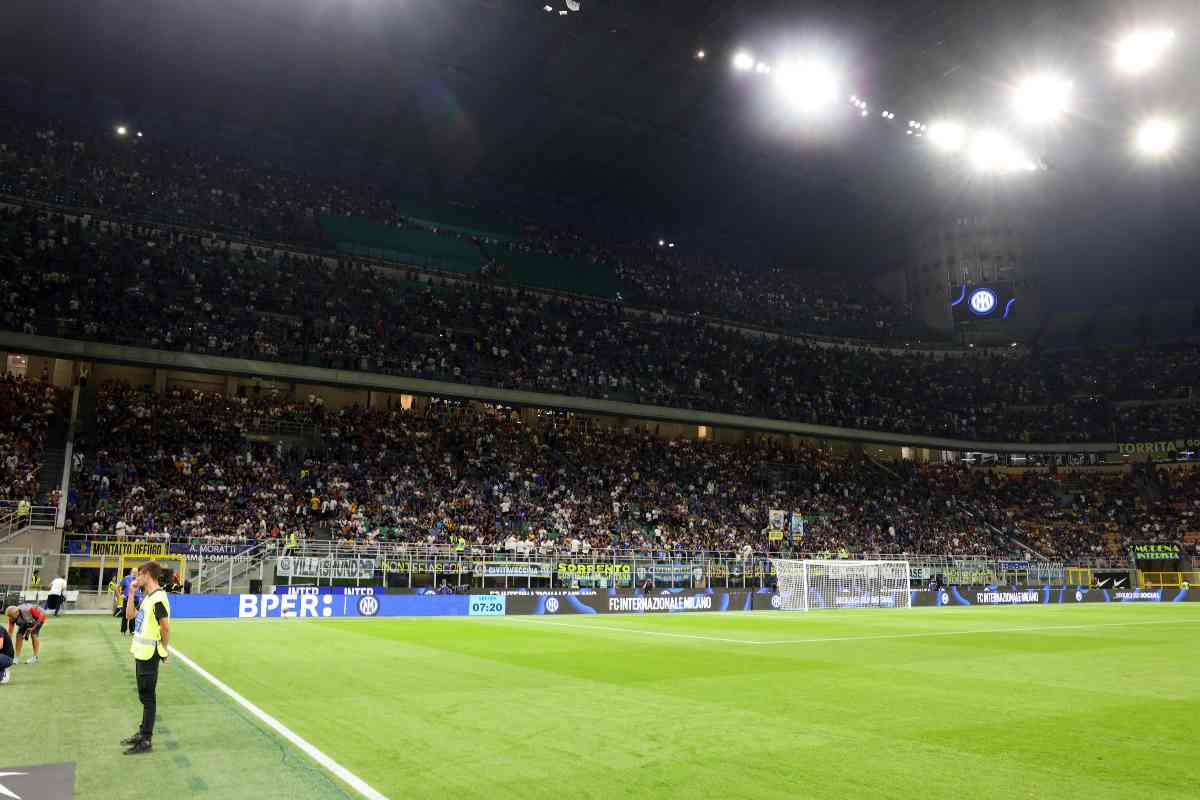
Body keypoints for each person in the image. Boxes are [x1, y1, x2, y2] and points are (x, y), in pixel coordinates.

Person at [121, 561, 171, 755]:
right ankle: (143, 733)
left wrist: (163, 651)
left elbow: (165, 626)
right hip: (141, 652)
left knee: (148, 697)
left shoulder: (158, 598)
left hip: (150, 654)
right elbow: (129, 615)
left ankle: (146, 739)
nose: (136, 578)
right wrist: (132, 593)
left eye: (139, 575)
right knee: (144, 695)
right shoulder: (148, 597)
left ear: (147, 574)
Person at [119, 569, 142, 635]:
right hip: (127, 599)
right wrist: (121, 594)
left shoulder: (139, 580)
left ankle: (132, 630)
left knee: (133, 615)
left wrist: (140, 597)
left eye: (136, 572)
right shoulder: (126, 578)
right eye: (134, 572)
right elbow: (120, 587)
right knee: (125, 614)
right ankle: (123, 630)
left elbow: (140, 589)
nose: (135, 573)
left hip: (136, 600)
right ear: (131, 572)